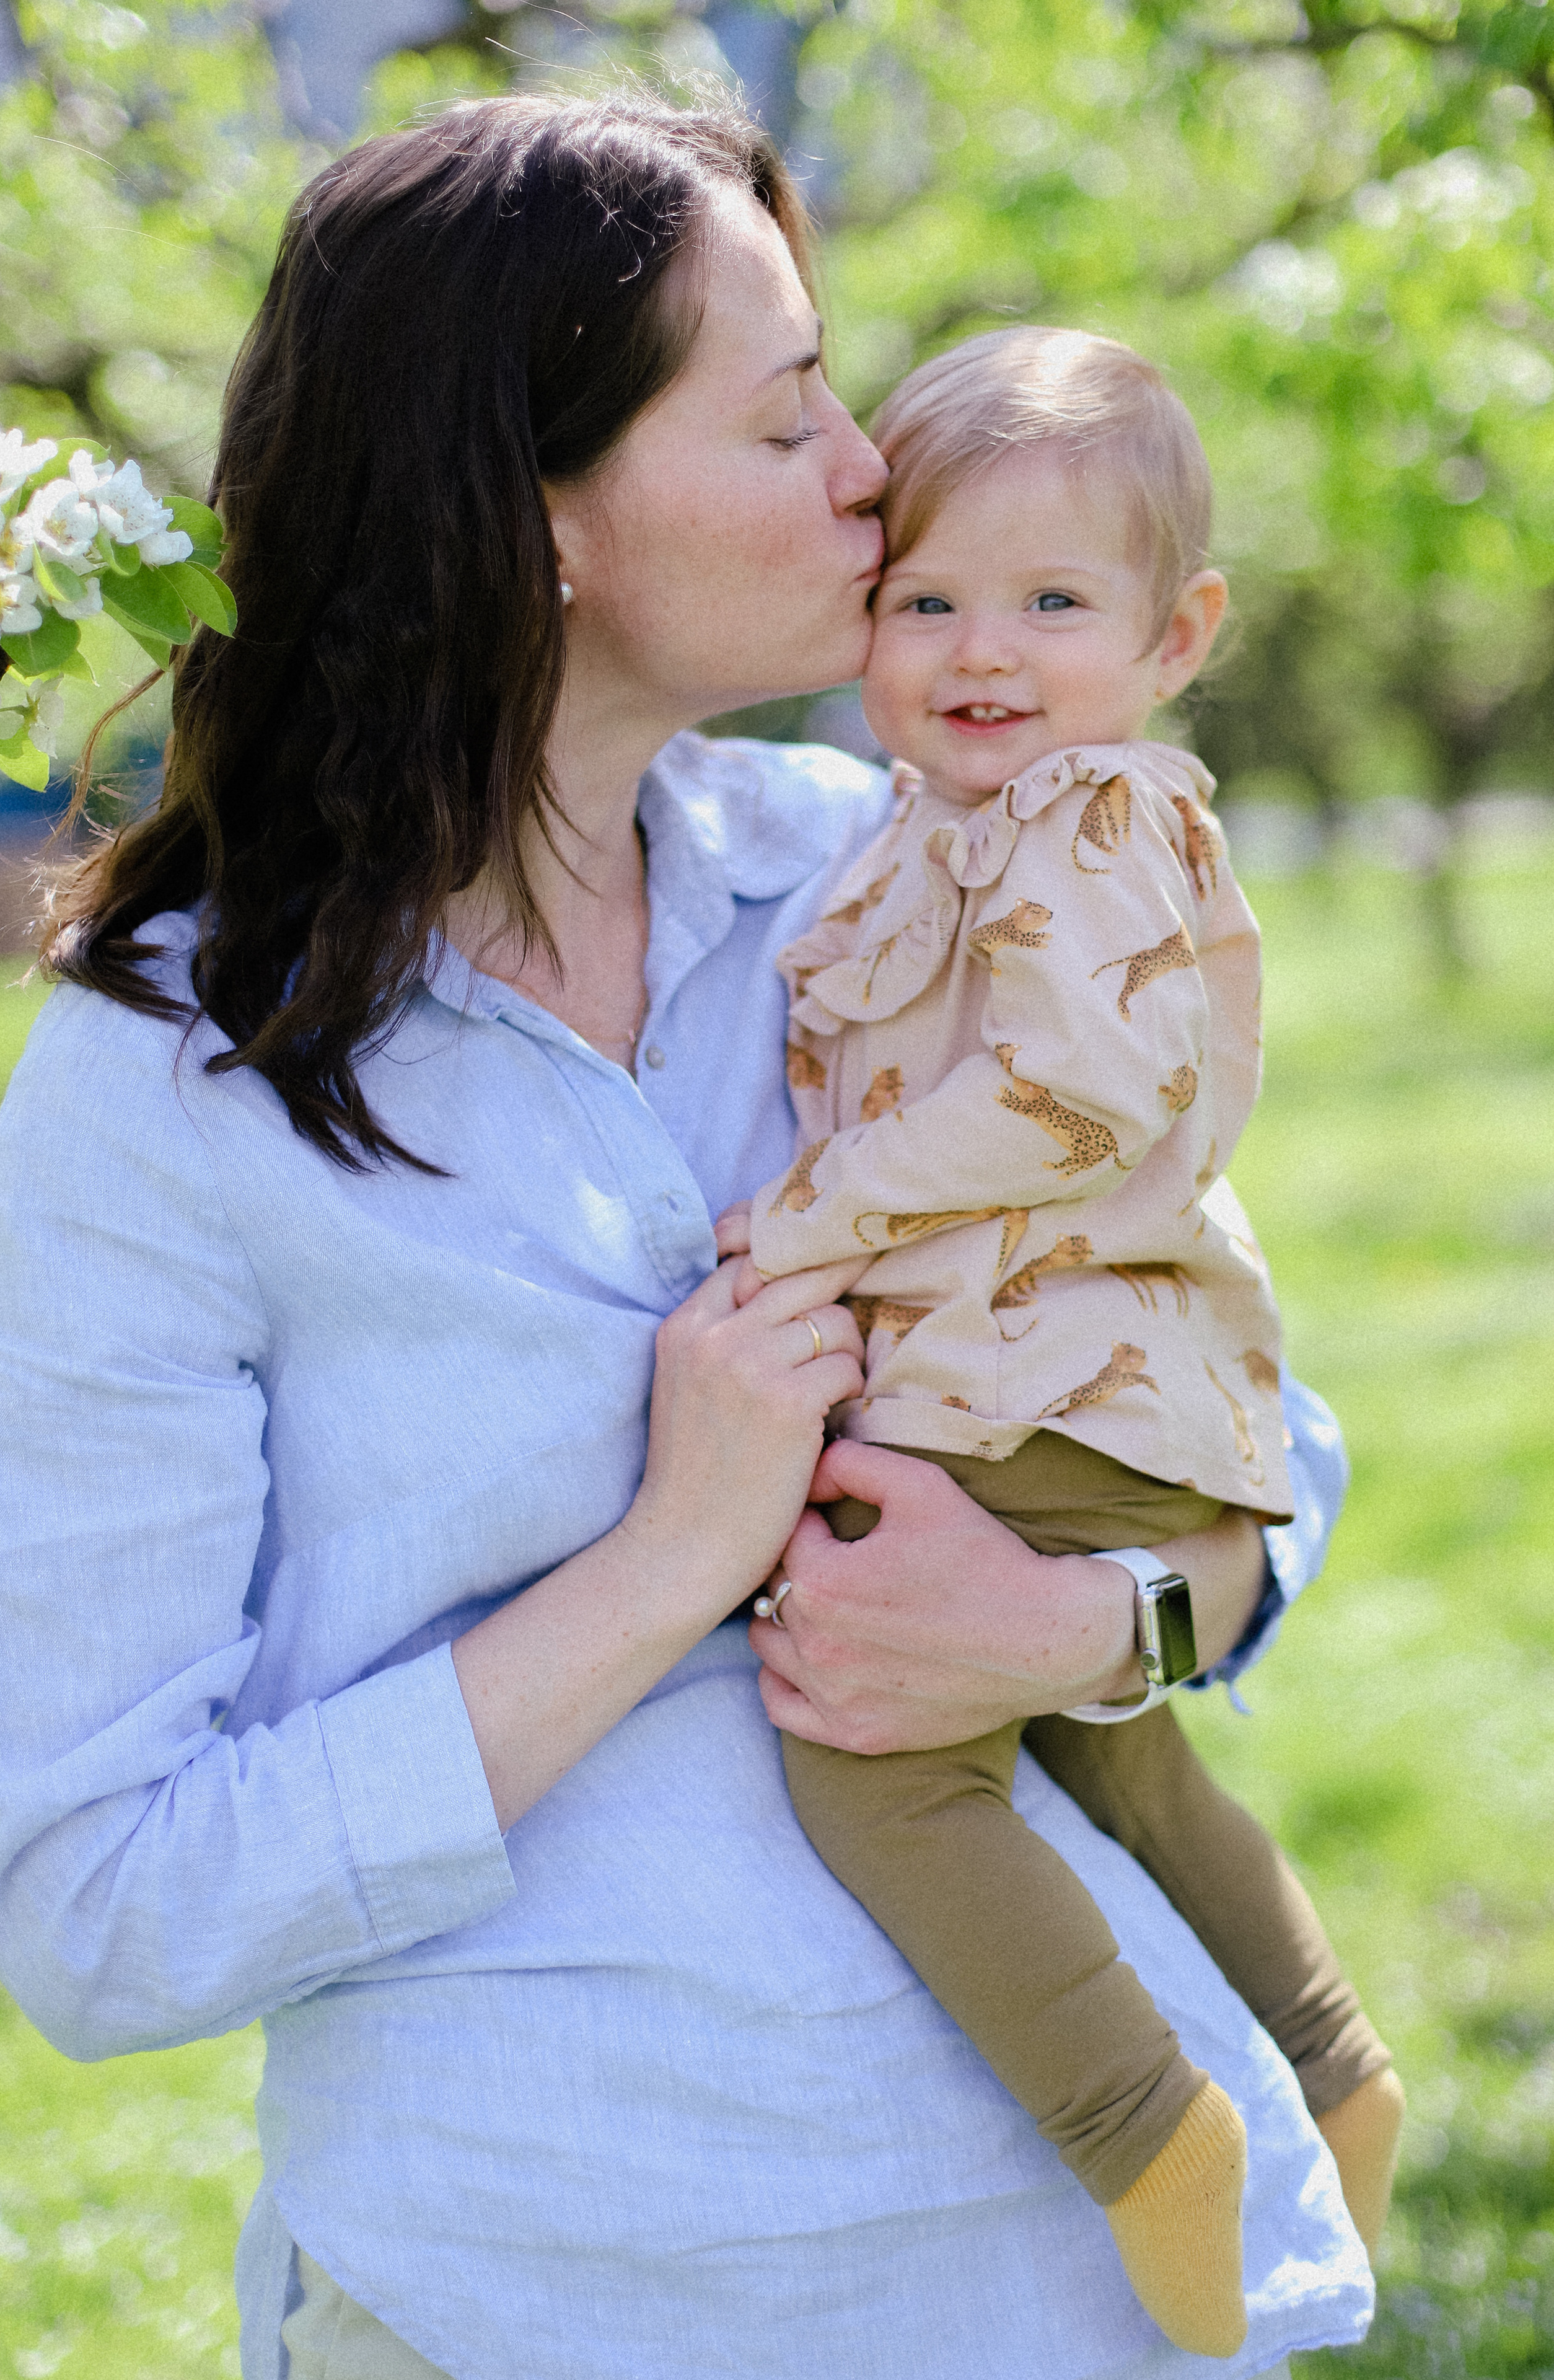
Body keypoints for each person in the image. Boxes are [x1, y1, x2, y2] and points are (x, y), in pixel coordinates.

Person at [0, 93, 1374, 2380]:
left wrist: (1079, 1623)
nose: (872, 472)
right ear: (540, 518)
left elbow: (1262, 1434)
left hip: (1065, 2295)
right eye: (790, 409)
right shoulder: (175, 1086)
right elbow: (100, 1913)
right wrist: (663, 1564)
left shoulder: (891, 865)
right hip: (539, 2299)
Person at [715, 326, 1403, 2360]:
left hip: (1041, 1379)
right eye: (927, 600)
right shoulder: (949, 819)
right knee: (1119, 1752)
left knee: (879, 1768)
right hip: (1069, 1384)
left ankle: (1141, 2126)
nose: (982, 651)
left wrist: (818, 1216)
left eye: (1051, 603)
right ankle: (1331, 2059)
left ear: (1177, 636)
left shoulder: (1084, 819)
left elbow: (1075, 1100)